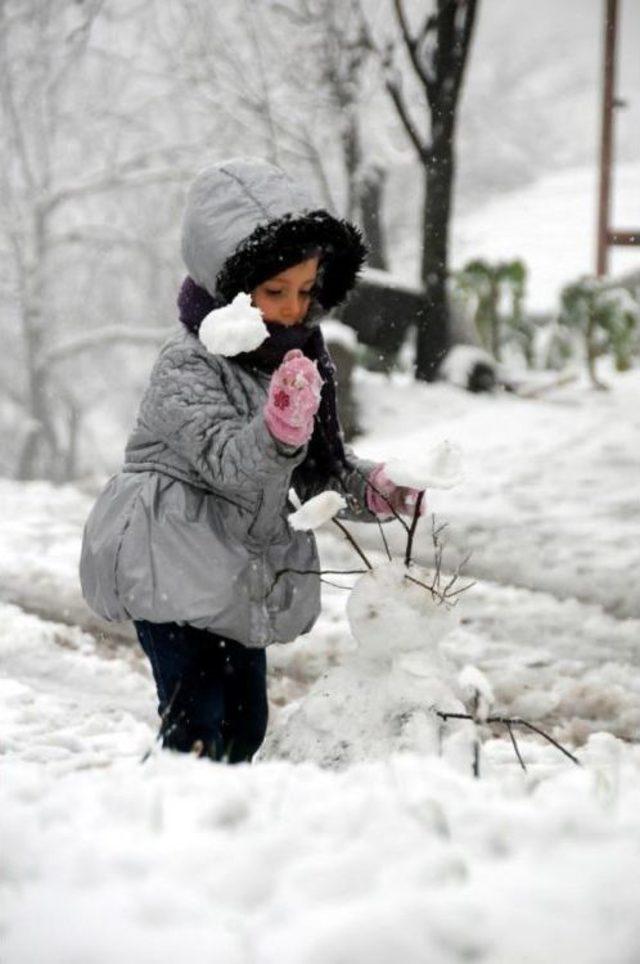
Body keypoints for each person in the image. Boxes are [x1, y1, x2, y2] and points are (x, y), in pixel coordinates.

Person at [79, 157, 424, 764]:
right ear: (230, 288)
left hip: (235, 574)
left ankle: (225, 840)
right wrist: (277, 428)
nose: (294, 310)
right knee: (196, 726)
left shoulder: (300, 359)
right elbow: (227, 461)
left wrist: (375, 488)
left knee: (246, 727)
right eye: (275, 292)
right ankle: (161, 827)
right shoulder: (185, 364)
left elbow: (316, 471)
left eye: (306, 291)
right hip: (170, 564)